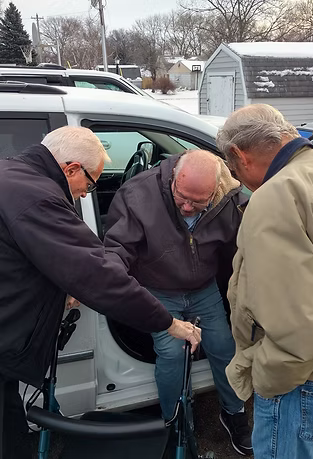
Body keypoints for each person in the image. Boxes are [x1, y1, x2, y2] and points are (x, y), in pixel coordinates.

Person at [0, 126, 201, 459]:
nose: (86, 193)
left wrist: (60, 285)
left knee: (11, 426)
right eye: (90, 183)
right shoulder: (38, 197)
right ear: (71, 169)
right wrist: (169, 323)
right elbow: (99, 276)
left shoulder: (12, 173)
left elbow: (17, 256)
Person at [216, 103, 313, 459]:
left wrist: (264, 380)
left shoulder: (278, 194)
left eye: (232, 170)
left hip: (304, 386)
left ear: (238, 155)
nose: (238, 180)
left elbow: (300, 332)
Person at [104, 149, 252, 456]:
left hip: (204, 289)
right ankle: (172, 421)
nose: (187, 206)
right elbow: (116, 248)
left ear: (215, 190)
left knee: (224, 348)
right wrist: (107, 279)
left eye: (197, 202)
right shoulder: (139, 194)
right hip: (158, 289)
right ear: (174, 177)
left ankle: (233, 412)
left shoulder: (231, 197)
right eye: (180, 196)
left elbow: (250, 235)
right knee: (171, 354)